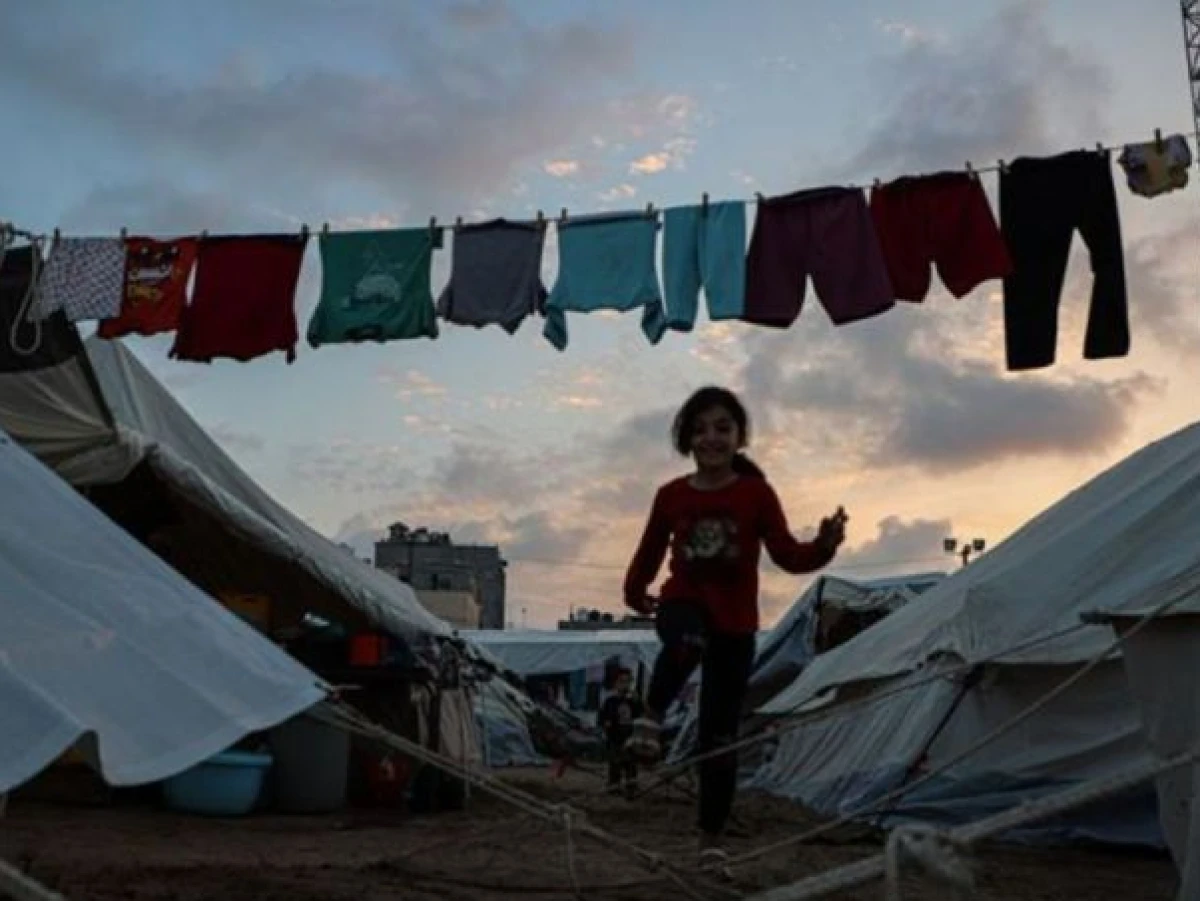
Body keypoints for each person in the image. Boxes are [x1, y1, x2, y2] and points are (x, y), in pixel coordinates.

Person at [622, 386, 847, 867]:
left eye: (722, 427)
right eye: (700, 429)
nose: (711, 438)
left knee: (719, 737)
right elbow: (649, 551)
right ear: (686, 438)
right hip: (682, 605)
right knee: (687, 638)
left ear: (739, 437)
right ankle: (651, 716)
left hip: (737, 626)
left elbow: (787, 554)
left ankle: (710, 840)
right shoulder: (671, 495)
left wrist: (824, 546)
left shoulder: (755, 495)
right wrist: (635, 590)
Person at [597, 667, 643, 797]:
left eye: (628, 682)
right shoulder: (610, 701)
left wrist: (637, 702)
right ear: (616, 683)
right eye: (622, 681)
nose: (625, 685)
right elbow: (603, 717)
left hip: (630, 736)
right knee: (615, 763)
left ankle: (631, 785)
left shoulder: (633, 702)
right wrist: (606, 724)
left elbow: (640, 716)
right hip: (615, 737)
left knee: (631, 763)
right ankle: (614, 786)